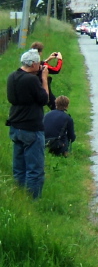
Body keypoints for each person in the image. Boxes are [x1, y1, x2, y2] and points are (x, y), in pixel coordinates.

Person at [7, 49, 49, 198]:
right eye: (38, 64)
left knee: (19, 168)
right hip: (31, 127)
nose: (40, 66)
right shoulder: (31, 80)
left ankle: (19, 197)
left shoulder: (12, 77)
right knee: (34, 169)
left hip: (15, 125)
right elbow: (44, 99)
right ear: (33, 64)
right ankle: (32, 200)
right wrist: (44, 79)